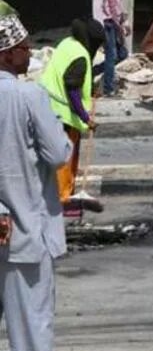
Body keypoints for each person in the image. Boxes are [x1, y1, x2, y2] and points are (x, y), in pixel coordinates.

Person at [0, 15, 89, 351]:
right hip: (22, 229)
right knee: (31, 330)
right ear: (6, 53)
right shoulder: (27, 96)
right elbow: (57, 152)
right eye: (22, 48)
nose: (28, 55)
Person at [39, 19, 106, 217]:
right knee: (66, 160)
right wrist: (86, 118)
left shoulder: (67, 43)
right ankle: (62, 200)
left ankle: (59, 196)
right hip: (64, 115)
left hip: (47, 107)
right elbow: (72, 89)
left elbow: (67, 76)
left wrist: (92, 88)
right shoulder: (81, 55)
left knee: (55, 158)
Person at [91, 0, 129, 97]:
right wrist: (99, 29)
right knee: (111, 55)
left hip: (116, 24)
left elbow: (119, 6)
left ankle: (94, 71)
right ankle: (109, 89)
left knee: (122, 54)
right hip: (106, 24)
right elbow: (97, 9)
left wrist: (125, 23)